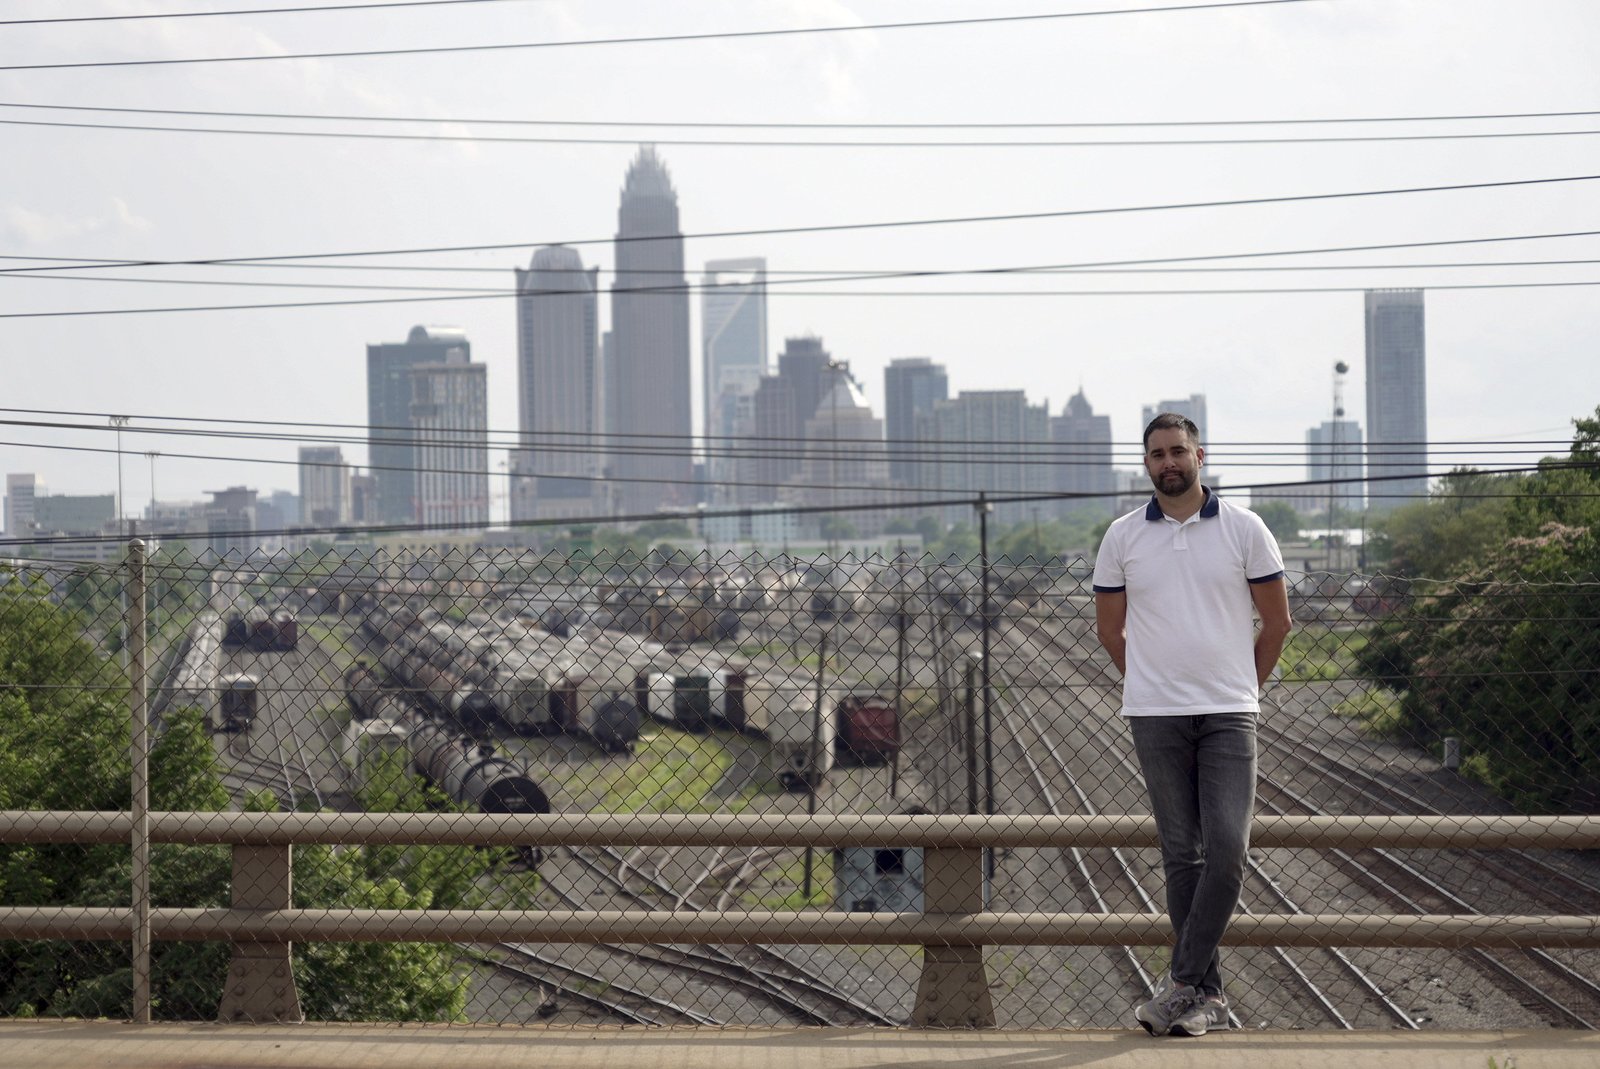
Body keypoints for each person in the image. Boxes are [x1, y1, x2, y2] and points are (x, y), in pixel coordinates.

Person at [1091, 412, 1292, 1037]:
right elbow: (1108, 630)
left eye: (1178, 451)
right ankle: (1206, 1001)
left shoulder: (1244, 528)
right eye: (1157, 455)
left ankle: (1180, 983)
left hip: (1230, 714)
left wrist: (1240, 688)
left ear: (1200, 456)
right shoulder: (1122, 537)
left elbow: (1278, 624)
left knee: (1227, 851)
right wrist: (1151, 682)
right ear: (1146, 464)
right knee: (1183, 856)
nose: (1168, 462)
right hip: (1155, 716)